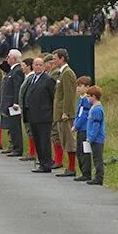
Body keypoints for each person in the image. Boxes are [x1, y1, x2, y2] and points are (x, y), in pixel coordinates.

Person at [24, 56, 56, 173]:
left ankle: (46, 163)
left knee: (44, 141)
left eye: (40, 65)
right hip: (33, 115)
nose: (37, 67)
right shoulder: (32, 78)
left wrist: (51, 112)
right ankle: (41, 162)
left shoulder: (48, 79)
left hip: (44, 116)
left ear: (43, 67)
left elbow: (53, 97)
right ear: (32, 66)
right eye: (36, 65)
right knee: (37, 140)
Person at [52, 49, 77, 177]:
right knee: (63, 139)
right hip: (60, 112)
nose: (53, 61)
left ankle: (72, 168)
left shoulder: (67, 73)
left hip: (65, 113)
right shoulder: (62, 73)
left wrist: (66, 112)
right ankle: (69, 167)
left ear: (62, 59)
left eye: (55, 58)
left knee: (69, 140)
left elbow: (69, 94)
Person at [2, 50, 25, 155]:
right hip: (8, 103)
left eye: (9, 57)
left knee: (15, 126)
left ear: (14, 59)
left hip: (13, 104)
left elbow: (17, 88)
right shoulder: (12, 70)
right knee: (11, 126)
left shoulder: (17, 71)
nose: (7, 59)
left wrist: (16, 102)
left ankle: (17, 148)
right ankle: (14, 146)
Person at [71, 76, 92, 182]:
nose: (78, 88)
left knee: (84, 151)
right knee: (79, 151)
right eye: (77, 86)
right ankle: (83, 171)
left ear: (87, 87)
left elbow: (84, 115)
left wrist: (77, 125)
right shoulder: (81, 99)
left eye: (80, 86)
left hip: (84, 129)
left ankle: (86, 172)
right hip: (80, 129)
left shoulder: (87, 100)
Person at [85, 86, 105, 185]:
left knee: (98, 159)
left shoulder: (97, 110)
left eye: (89, 96)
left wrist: (91, 137)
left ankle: (99, 177)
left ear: (94, 96)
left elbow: (96, 126)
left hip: (97, 139)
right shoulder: (93, 108)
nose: (88, 98)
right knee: (95, 158)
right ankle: (97, 176)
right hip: (94, 139)